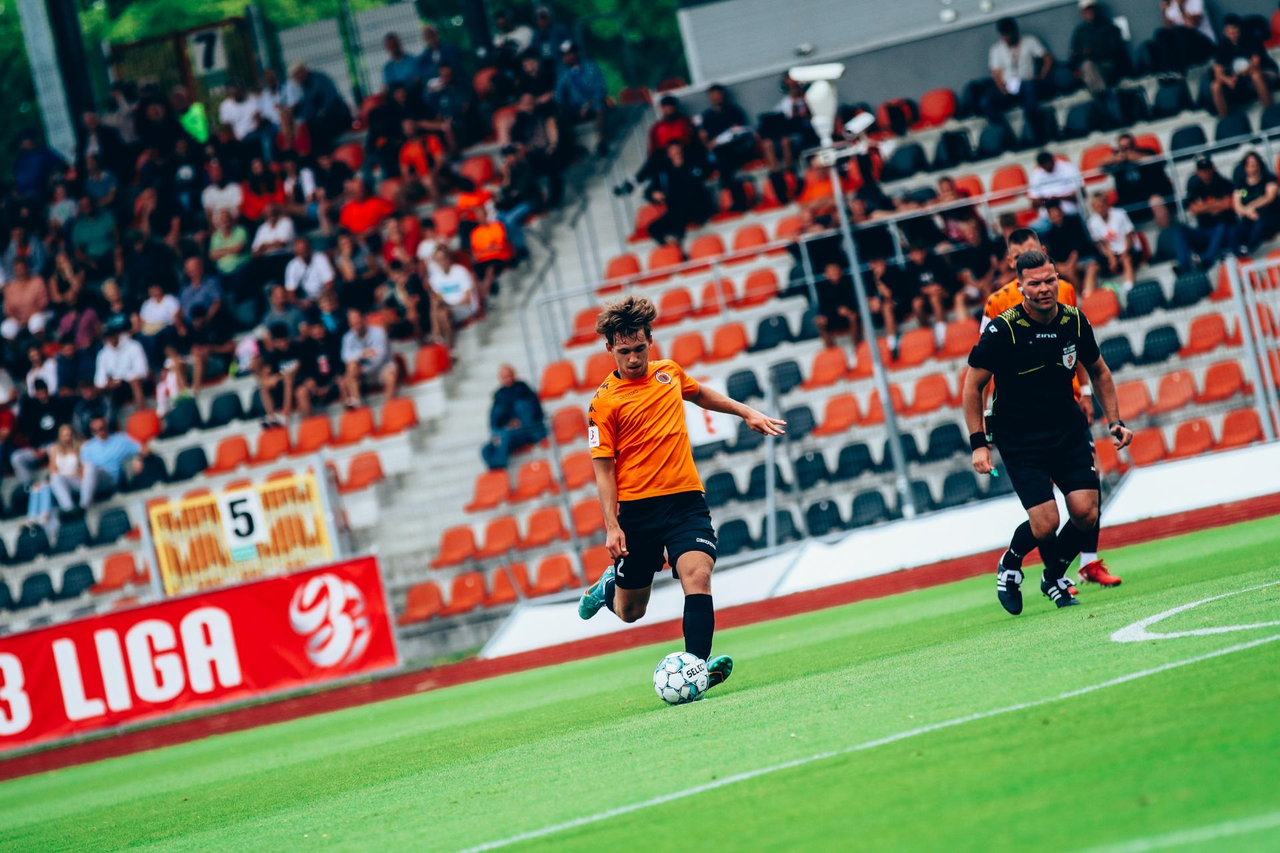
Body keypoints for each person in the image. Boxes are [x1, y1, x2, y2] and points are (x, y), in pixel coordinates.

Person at [577, 296, 786, 692]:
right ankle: (608, 589)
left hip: (685, 502)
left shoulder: (668, 373)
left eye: (639, 348)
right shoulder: (602, 404)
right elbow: (603, 471)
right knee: (631, 611)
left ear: (650, 341)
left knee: (698, 575)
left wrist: (746, 412)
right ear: (609, 349)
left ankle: (697, 668)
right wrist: (612, 526)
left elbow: (701, 394)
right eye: (624, 352)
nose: (633, 358)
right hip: (637, 512)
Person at [964, 249, 1133, 614]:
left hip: (1066, 429)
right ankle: (1011, 563)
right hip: (1019, 437)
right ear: (1020, 287)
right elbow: (972, 386)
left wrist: (1115, 420)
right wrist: (979, 443)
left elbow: (1099, 371)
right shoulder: (1003, 329)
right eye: (1034, 283)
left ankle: (1052, 576)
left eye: (1049, 281)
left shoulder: (1074, 320)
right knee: (1046, 523)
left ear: (1058, 280)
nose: (1043, 288)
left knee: (1086, 512)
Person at [59, 416, 144, 512]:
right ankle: (69, 509)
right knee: (56, 477)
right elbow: (82, 469)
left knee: (90, 467)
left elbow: (143, 448)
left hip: (110, 479)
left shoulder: (121, 440)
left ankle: (84, 506)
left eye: (101, 428)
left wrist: (139, 459)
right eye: (94, 430)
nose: (99, 432)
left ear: (107, 426)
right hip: (89, 481)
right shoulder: (87, 447)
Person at [984, 18, 1053, 128]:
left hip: (1027, 83)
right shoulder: (996, 49)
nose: (1007, 39)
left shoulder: (1029, 41)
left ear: (1014, 31)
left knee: (1028, 89)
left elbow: (1047, 57)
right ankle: (1004, 131)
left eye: (1008, 35)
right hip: (1008, 87)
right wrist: (1002, 89)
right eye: (1004, 35)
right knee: (986, 101)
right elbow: (996, 73)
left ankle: (1034, 129)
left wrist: (1042, 75)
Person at [641, 142, 714, 246]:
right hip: (676, 212)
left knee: (678, 210)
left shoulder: (692, 165)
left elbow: (705, 172)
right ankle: (673, 247)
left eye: (678, 151)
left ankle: (679, 239)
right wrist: (654, 194)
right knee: (653, 228)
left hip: (696, 208)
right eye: (673, 152)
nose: (676, 154)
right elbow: (649, 191)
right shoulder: (665, 174)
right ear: (669, 155)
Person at [699, 84, 756, 213]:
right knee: (723, 161)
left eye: (719, 94)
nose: (717, 98)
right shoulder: (707, 116)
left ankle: (736, 198)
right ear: (710, 97)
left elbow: (741, 132)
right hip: (718, 153)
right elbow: (705, 139)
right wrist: (707, 142)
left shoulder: (733, 111)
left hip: (737, 149)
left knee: (726, 162)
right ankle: (735, 200)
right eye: (714, 95)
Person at [1172, 156, 1234, 270]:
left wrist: (1203, 205)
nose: (1206, 173)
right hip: (1204, 230)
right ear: (1198, 172)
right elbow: (1194, 209)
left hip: (1223, 231)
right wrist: (1216, 204)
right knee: (1179, 230)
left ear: (1213, 169)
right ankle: (1183, 265)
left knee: (1222, 227)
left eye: (1208, 169)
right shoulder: (1195, 185)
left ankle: (1206, 260)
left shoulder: (1223, 182)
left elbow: (1228, 203)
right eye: (1203, 170)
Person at [481, 364, 547, 469]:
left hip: (528, 431)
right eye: (504, 377)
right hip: (508, 431)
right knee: (486, 449)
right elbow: (494, 420)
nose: (507, 379)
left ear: (514, 374)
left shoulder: (523, 389)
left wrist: (519, 423)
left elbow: (533, 413)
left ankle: (500, 465)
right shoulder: (499, 395)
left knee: (504, 436)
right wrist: (501, 430)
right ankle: (497, 470)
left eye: (509, 375)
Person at [1210, 14, 1273, 118]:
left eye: (1235, 31)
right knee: (1215, 85)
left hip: (1265, 71)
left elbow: (1255, 64)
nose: (1232, 35)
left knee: (1255, 75)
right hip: (1240, 78)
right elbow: (1218, 71)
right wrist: (1227, 80)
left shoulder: (1251, 39)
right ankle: (1224, 119)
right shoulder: (1222, 46)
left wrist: (1237, 75)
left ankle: (1270, 110)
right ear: (1225, 32)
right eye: (1229, 32)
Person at [1070, 1, 1128, 106]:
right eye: (1086, 11)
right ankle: (1105, 98)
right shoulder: (1080, 32)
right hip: (1087, 68)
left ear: (1096, 10)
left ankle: (1101, 101)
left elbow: (1115, 50)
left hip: (1107, 65)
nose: (1089, 13)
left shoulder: (1108, 27)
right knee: (1087, 68)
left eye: (1091, 10)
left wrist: (1092, 52)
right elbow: (1074, 53)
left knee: (1088, 68)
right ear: (1082, 13)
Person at [289, 61, 353, 155]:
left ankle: (326, 155)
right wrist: (296, 109)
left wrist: (320, 114)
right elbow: (307, 108)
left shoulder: (319, 79)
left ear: (302, 71)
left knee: (318, 128)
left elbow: (329, 99)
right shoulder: (305, 86)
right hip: (322, 119)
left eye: (295, 75)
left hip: (337, 115)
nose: (295, 79)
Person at [555, 42, 608, 153]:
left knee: (600, 107)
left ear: (575, 54)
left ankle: (601, 141)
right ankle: (576, 146)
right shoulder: (563, 73)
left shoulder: (591, 67)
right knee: (560, 114)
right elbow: (559, 96)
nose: (565, 58)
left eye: (568, 54)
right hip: (575, 107)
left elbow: (600, 90)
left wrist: (588, 105)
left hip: (593, 103)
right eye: (564, 55)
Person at [340, 308, 398, 407]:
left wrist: (364, 369)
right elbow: (345, 357)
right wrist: (362, 353)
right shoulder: (348, 337)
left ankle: (388, 407)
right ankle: (358, 406)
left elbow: (380, 356)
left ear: (363, 319)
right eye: (353, 321)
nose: (356, 323)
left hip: (381, 369)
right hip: (363, 373)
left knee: (391, 374)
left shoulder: (379, 332)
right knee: (350, 368)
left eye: (357, 319)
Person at [1042, 201, 1099, 295]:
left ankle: (1087, 294)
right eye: (1051, 213)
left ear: (1061, 211)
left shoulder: (1074, 222)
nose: (1055, 215)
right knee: (1069, 272)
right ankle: (1081, 294)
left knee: (1091, 267)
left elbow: (1076, 248)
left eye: (1056, 212)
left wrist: (1069, 265)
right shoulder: (1050, 234)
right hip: (1067, 265)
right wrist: (1060, 267)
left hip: (1084, 258)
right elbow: (1053, 257)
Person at [427, 246, 478, 352]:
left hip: (465, 307)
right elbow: (439, 299)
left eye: (443, 258)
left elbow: (467, 299)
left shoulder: (461, 272)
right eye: (438, 260)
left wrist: (450, 306)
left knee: (443, 313)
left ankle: (444, 343)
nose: (442, 262)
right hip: (447, 310)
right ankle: (449, 348)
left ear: (448, 258)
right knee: (439, 309)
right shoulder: (435, 277)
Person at [294, 309, 344, 416]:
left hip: (332, 383)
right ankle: (308, 423)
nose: (317, 331)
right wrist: (312, 385)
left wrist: (328, 386)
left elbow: (339, 367)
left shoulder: (334, 343)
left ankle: (349, 417)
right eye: (314, 328)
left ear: (324, 328)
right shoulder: (304, 347)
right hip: (315, 387)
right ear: (310, 331)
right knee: (301, 392)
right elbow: (305, 372)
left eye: (319, 328)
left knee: (343, 382)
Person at [1086, 191, 1138, 290]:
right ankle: (1087, 294)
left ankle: (1128, 288)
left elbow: (1129, 238)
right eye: (1096, 207)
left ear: (1106, 204)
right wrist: (1111, 257)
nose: (1099, 209)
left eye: (1101, 205)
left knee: (1127, 260)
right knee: (1092, 267)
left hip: (1128, 249)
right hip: (1110, 253)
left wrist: (1124, 254)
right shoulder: (1092, 222)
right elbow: (1101, 244)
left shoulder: (1120, 214)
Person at [1231, 151, 1280, 255]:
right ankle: (1237, 251)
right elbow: (1237, 205)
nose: (1252, 167)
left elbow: (1269, 197)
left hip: (1268, 216)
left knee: (1260, 225)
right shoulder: (1241, 183)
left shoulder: (1268, 179)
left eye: (1255, 164)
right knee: (1236, 230)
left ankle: (1249, 248)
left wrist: (1251, 206)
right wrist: (1247, 211)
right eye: (1249, 164)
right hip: (1250, 217)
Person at [94, 316, 149, 407]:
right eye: (108, 336)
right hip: (113, 388)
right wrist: (108, 383)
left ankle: (141, 411)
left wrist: (122, 379)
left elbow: (142, 371)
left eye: (112, 335)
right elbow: (98, 380)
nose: (111, 338)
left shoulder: (134, 346)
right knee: (95, 389)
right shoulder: (103, 354)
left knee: (135, 383)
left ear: (118, 334)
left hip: (132, 383)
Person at [253, 322, 299, 426]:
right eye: (278, 342)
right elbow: (267, 372)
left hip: (298, 380)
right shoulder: (273, 355)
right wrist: (256, 370)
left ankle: (285, 414)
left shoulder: (296, 348)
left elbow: (297, 367)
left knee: (288, 378)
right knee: (264, 385)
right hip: (282, 382)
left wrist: (280, 376)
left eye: (283, 340)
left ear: (287, 338)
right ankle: (271, 416)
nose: (281, 344)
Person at [468, 205, 514, 303]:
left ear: (486, 214)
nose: (480, 217)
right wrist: (489, 248)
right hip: (483, 259)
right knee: (474, 270)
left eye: (482, 215)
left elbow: (500, 246)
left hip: (499, 257)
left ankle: (484, 291)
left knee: (491, 268)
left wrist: (485, 250)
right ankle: (482, 292)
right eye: (478, 216)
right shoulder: (475, 233)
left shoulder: (497, 226)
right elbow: (476, 252)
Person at [1154, 0, 1215, 73]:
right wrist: (1164, 11)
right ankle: (1168, 72)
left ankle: (1181, 71)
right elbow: (1168, 28)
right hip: (1183, 45)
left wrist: (1181, 7)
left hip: (1204, 44)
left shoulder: (1196, 1)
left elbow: (1191, 25)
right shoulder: (1173, 4)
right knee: (1161, 33)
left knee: (1180, 32)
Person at [1, 257, 51, 341]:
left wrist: (28, 317)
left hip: (36, 314)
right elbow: (7, 309)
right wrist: (19, 319)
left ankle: (41, 345)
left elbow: (43, 303)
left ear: (27, 268)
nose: (19, 271)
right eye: (17, 269)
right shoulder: (10, 287)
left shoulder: (37, 281)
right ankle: (14, 349)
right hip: (18, 320)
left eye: (22, 268)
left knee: (36, 322)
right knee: (6, 328)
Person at [813, 261, 860, 347]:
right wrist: (835, 311)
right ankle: (831, 350)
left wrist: (847, 309)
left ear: (841, 271)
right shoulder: (823, 289)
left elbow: (856, 301)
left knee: (853, 316)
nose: (833, 272)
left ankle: (856, 347)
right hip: (833, 317)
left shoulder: (849, 284)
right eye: (830, 271)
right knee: (820, 321)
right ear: (826, 275)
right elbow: (823, 308)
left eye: (835, 270)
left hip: (848, 315)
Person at [1028, 151, 1083, 220]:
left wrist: (1058, 198)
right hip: (1047, 217)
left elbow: (1081, 194)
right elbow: (1034, 205)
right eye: (1044, 165)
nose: (1047, 166)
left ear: (1053, 160)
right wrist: (1046, 201)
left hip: (1070, 213)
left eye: (1048, 163)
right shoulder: (1036, 175)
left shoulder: (1068, 168)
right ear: (1040, 165)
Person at [284, 236, 335, 303]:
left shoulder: (320, 258)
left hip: (323, 297)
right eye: (299, 249)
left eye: (304, 248)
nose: (302, 251)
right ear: (295, 251)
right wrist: (300, 303)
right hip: (304, 300)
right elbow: (290, 292)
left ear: (309, 248)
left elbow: (329, 283)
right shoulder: (292, 265)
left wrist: (320, 299)